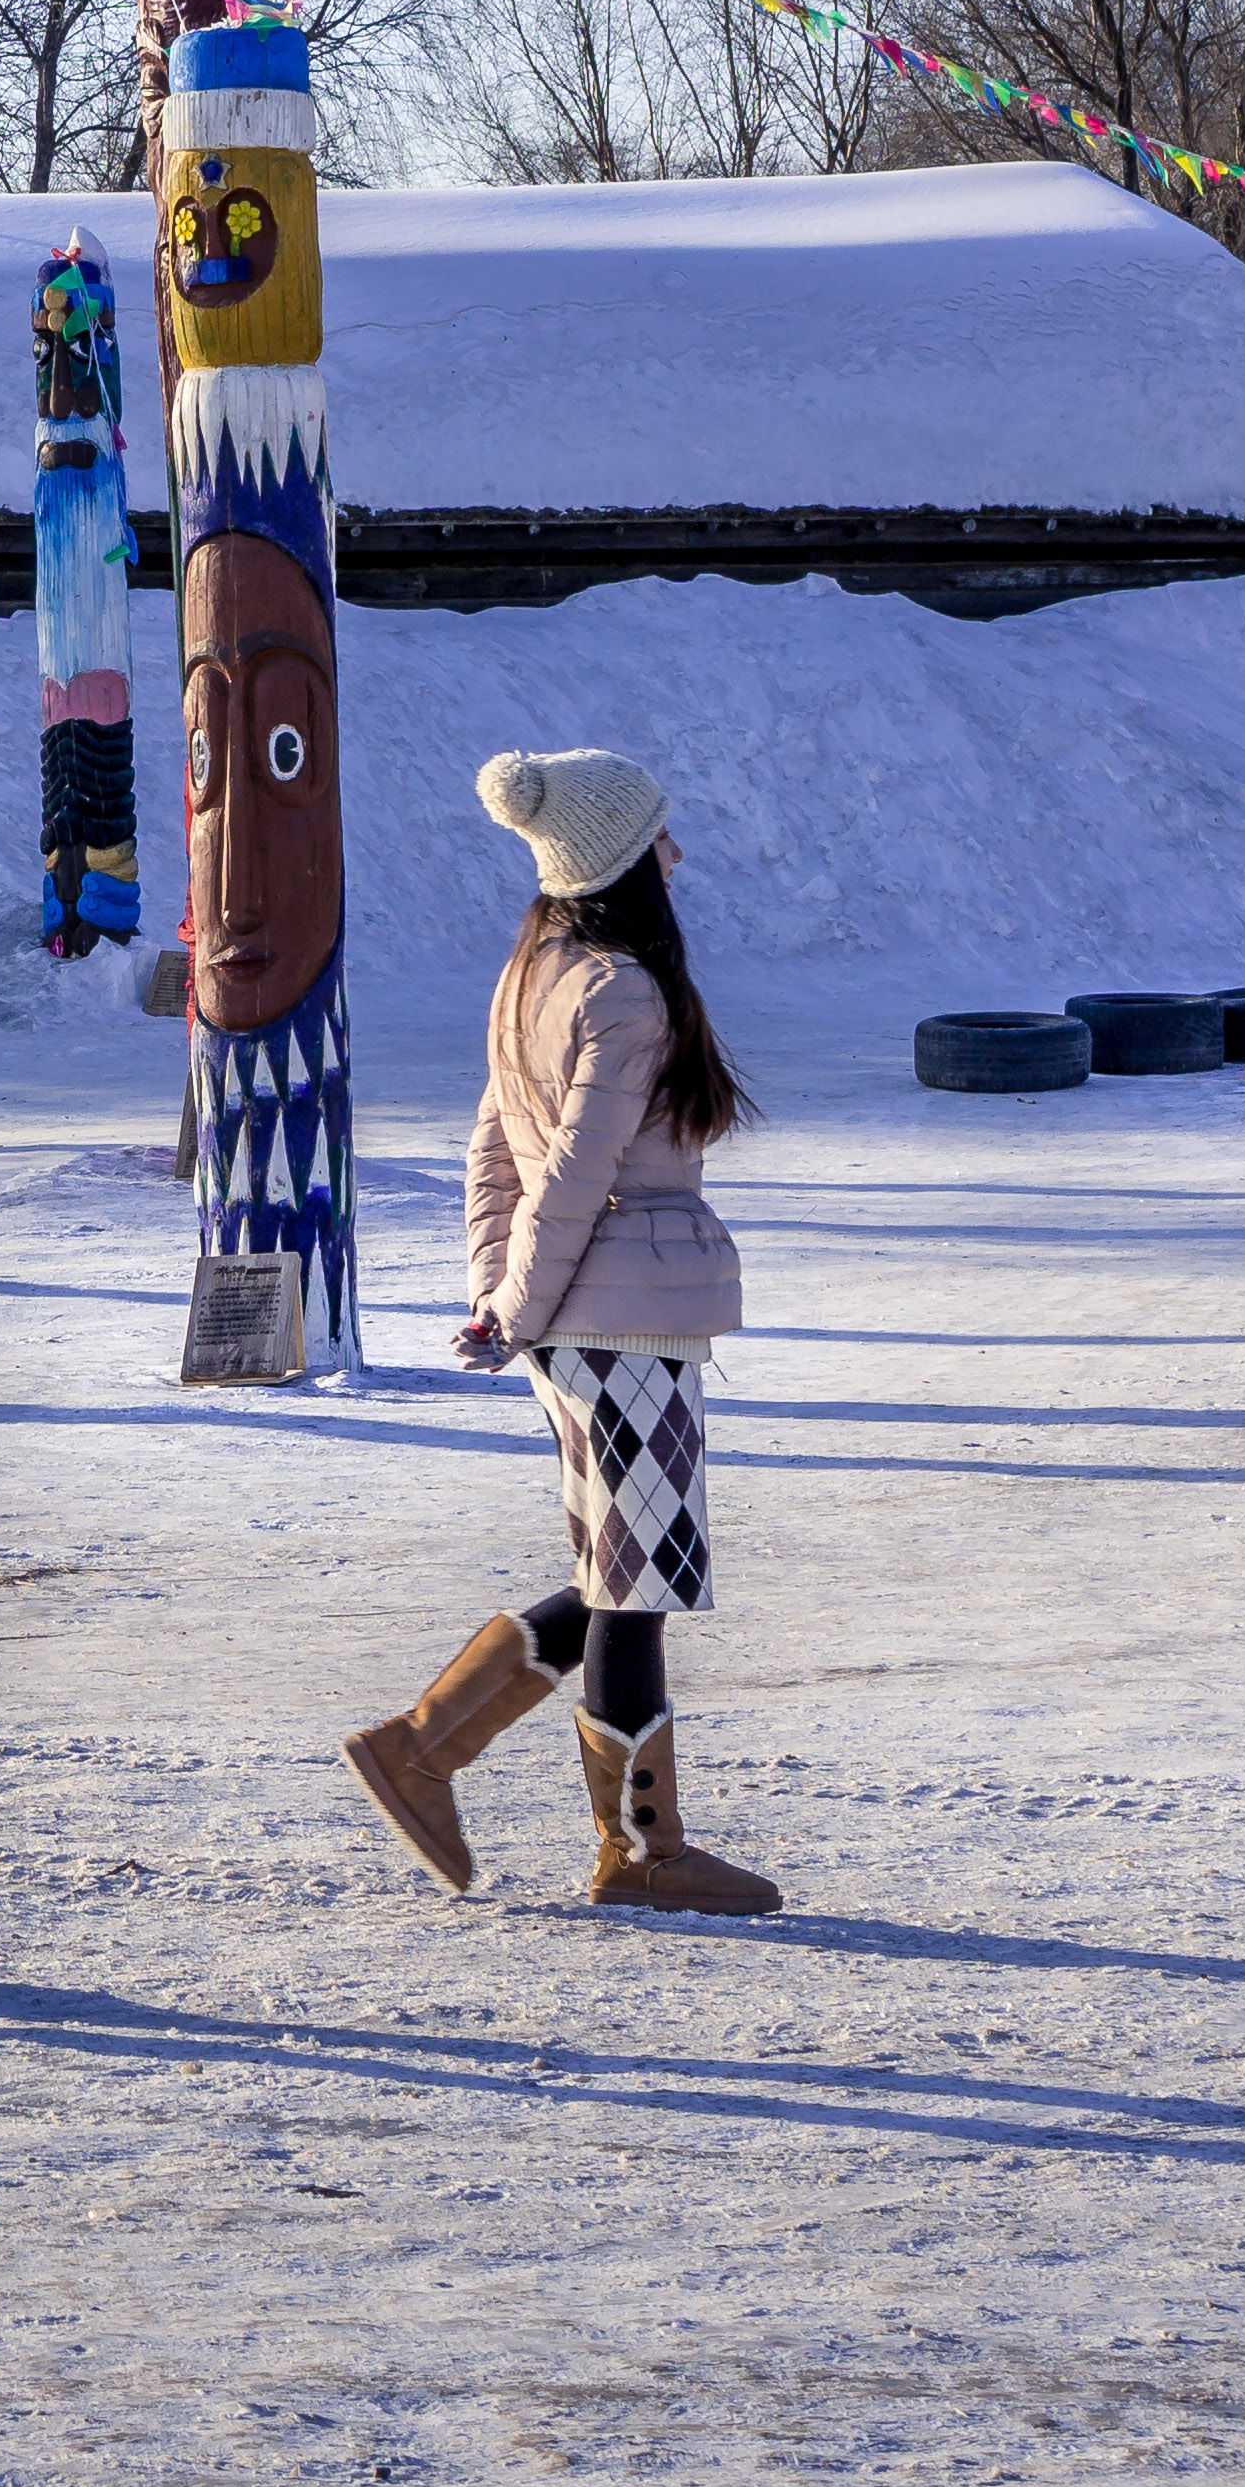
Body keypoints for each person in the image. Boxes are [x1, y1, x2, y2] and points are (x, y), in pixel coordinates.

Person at [338, 748, 787, 1916]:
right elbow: (572, 1177)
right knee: (634, 1580)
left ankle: (578, 1817)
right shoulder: (626, 992)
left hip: (579, 1316)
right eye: (659, 839)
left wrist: (502, 1297)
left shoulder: (536, 971)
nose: (675, 855)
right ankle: (565, 1815)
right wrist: (517, 1307)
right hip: (621, 1320)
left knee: (625, 1575)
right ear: (623, 863)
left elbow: (494, 1154)